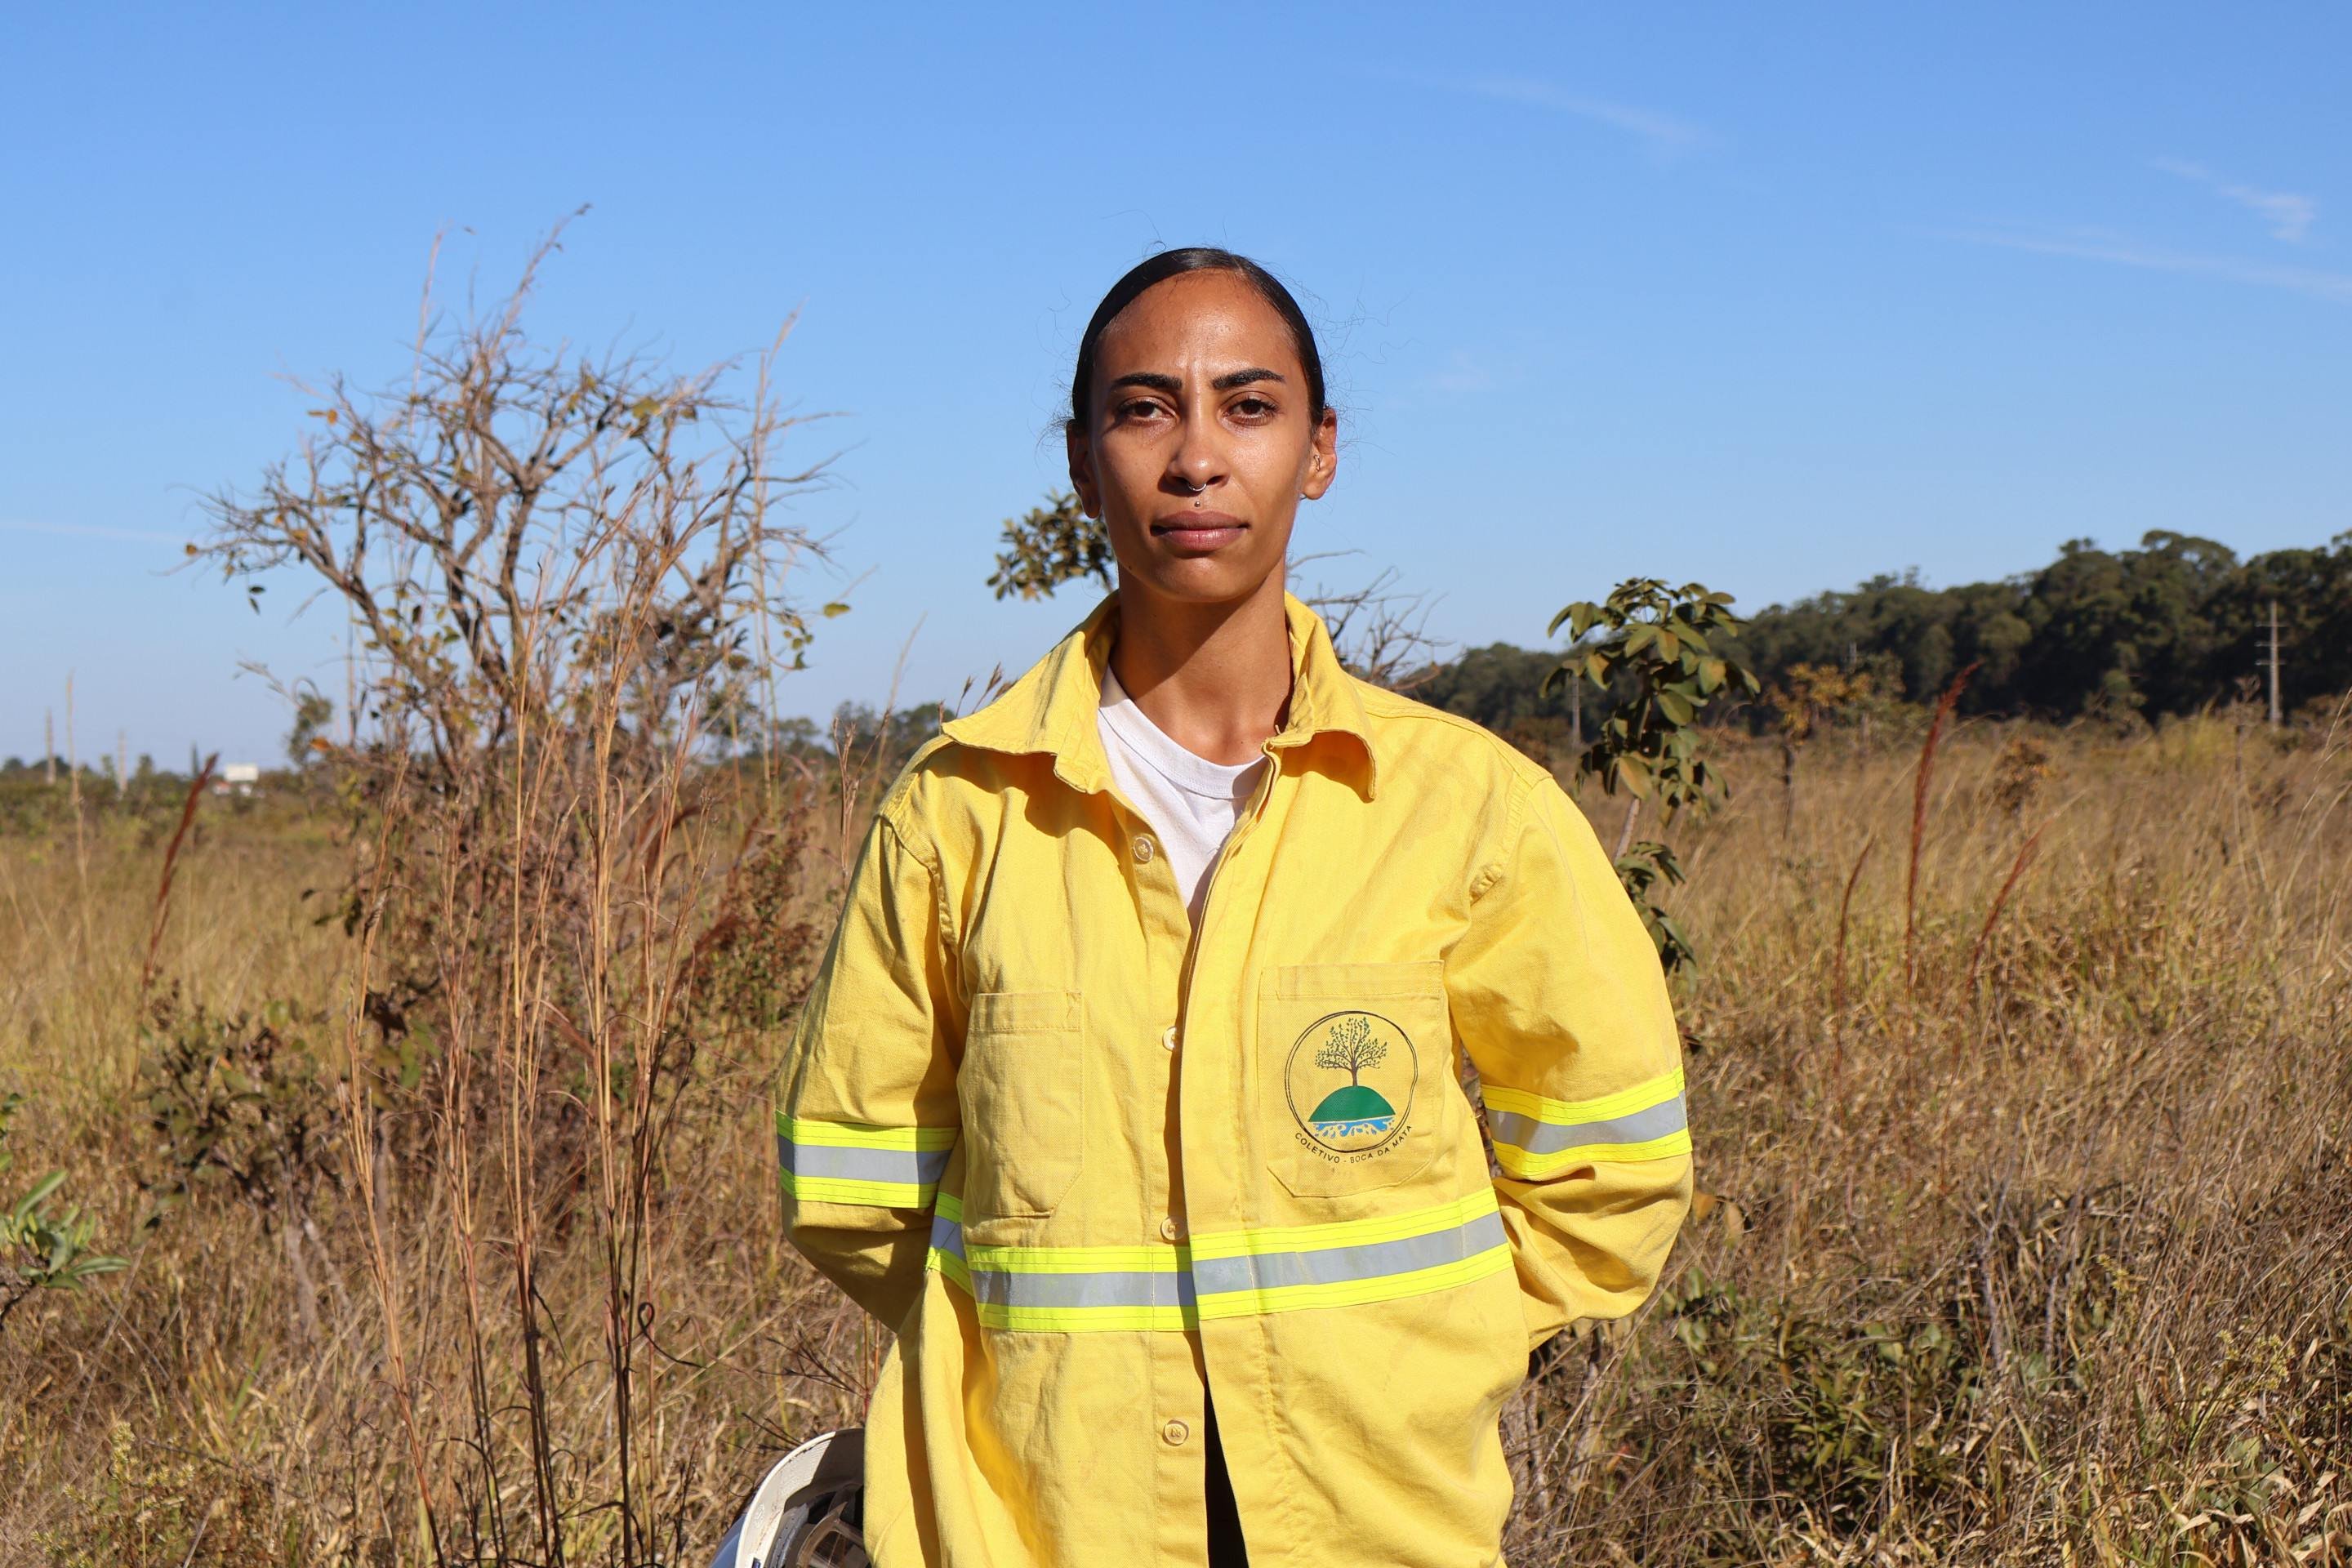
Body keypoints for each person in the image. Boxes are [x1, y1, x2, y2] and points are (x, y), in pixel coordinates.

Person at [775, 247, 1692, 1568]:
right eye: (1144, 409)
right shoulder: (961, 809)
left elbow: (1617, 1158)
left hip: (1374, 1522)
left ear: (1320, 451)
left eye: (1248, 407)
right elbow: (853, 1188)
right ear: (1083, 461)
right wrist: (1043, 1359)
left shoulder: (1460, 805)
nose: (1196, 458)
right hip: (1040, 1524)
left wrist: (1442, 1346)